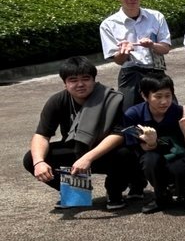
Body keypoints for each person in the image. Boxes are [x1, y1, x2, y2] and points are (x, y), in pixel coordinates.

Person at [23, 57, 135, 210]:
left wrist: (88, 158)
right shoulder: (57, 101)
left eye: (86, 79)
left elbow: (119, 135)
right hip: (75, 149)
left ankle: (114, 192)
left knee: (128, 153)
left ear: (94, 80)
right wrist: (39, 162)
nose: (80, 84)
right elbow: (42, 135)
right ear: (65, 83)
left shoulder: (112, 99)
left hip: (105, 152)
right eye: (73, 80)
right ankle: (76, 192)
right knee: (31, 158)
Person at [121, 74, 185, 213]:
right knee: (150, 160)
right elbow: (135, 149)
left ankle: (183, 191)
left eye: (168, 96)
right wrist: (151, 143)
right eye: (158, 96)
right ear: (144, 96)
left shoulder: (181, 113)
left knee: (179, 167)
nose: (164, 101)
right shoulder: (133, 115)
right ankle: (161, 196)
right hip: (150, 157)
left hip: (178, 156)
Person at [100, 0, 172, 109]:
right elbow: (118, 61)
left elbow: (166, 48)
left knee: (169, 110)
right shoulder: (109, 24)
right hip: (130, 73)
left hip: (156, 71)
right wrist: (124, 52)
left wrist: (152, 45)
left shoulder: (156, 17)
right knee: (128, 113)